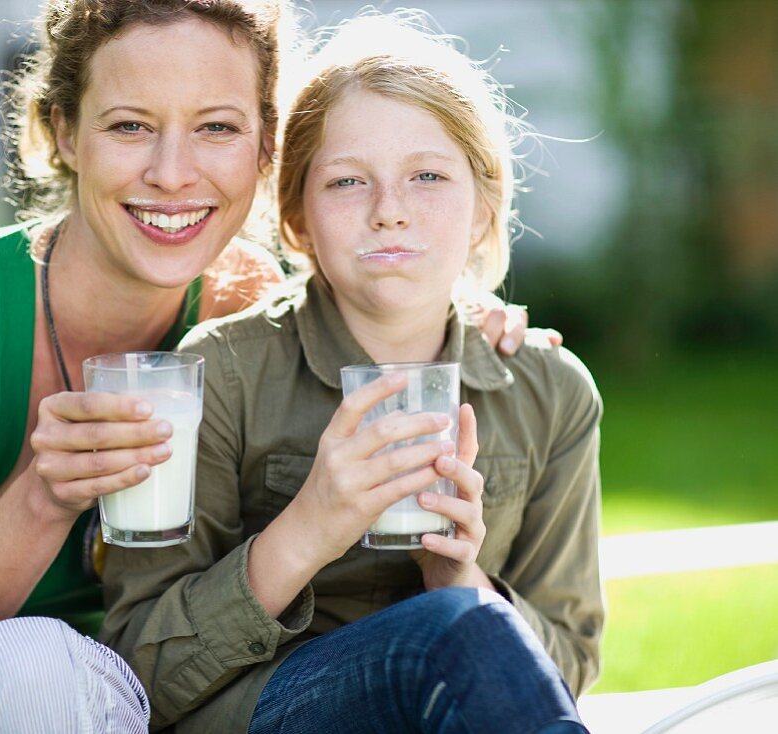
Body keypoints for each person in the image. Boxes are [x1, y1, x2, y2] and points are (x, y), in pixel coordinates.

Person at [0, 2, 541, 732]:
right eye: (129, 126)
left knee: (36, 659)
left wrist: (468, 318)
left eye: (217, 128)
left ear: (265, 146)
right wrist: (46, 493)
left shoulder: (244, 311)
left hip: (72, 697)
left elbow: (382, 296)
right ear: (62, 133)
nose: (173, 173)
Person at [101, 11, 603, 734]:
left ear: (484, 209)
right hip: (274, 712)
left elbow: (568, 665)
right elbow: (136, 673)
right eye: (346, 182)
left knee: (458, 620)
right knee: (448, 630)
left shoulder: (550, 393)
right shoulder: (215, 377)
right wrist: (308, 528)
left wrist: (459, 578)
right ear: (298, 218)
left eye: (427, 176)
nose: (389, 213)